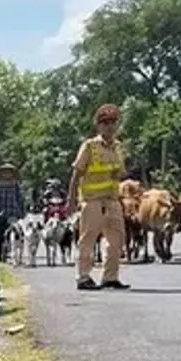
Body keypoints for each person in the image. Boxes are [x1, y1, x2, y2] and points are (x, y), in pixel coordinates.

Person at [70, 104, 130, 291]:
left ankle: (110, 277)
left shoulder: (119, 147)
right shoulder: (90, 146)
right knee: (88, 240)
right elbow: (76, 173)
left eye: (113, 122)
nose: (110, 127)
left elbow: (120, 173)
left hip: (112, 201)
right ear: (99, 126)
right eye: (105, 123)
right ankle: (84, 277)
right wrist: (71, 199)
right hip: (92, 200)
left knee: (117, 240)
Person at [0, 163, 24, 262]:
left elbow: (20, 198)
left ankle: (13, 253)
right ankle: (1, 253)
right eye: (5, 172)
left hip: (13, 213)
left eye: (9, 172)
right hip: (0, 213)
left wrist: (22, 212)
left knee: (16, 234)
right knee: (0, 234)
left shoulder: (16, 185)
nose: (7, 174)